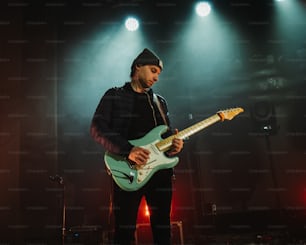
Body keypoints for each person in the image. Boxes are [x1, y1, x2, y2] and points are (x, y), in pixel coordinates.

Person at [90, 48, 184, 245]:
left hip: (160, 174)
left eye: (159, 73)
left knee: (163, 230)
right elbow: (97, 128)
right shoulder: (114, 95)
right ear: (138, 66)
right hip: (128, 170)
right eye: (153, 70)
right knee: (124, 232)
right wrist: (128, 150)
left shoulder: (160, 102)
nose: (156, 78)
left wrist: (174, 145)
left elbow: (165, 136)